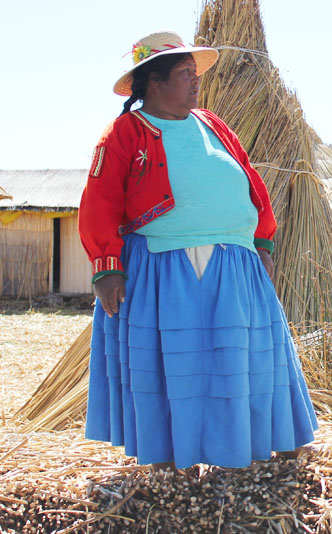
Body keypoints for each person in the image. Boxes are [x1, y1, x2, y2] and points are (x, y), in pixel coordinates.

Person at [79, 31, 318, 469]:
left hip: (236, 263)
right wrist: (107, 265)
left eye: (195, 73)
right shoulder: (126, 132)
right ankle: (170, 453)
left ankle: (272, 439)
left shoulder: (212, 123)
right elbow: (100, 199)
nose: (195, 82)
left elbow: (247, 177)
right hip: (164, 264)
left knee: (247, 356)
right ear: (153, 80)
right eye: (184, 73)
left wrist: (260, 238)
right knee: (178, 365)